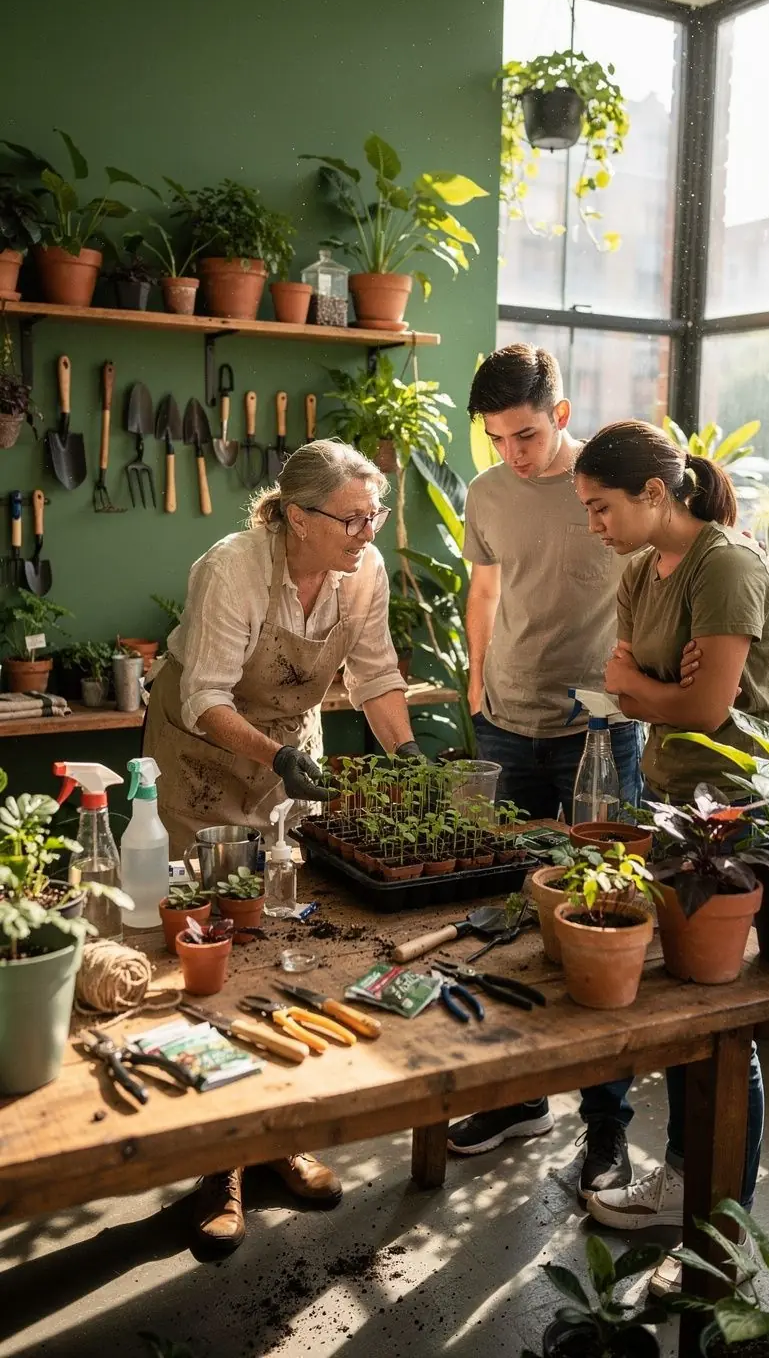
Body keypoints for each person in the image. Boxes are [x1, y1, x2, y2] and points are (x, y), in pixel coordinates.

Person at [144, 438, 422, 1258]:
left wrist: (409, 755)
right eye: (351, 518)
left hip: (287, 759)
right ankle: (216, 1167)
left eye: (374, 515)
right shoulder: (232, 568)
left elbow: (375, 675)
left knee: (282, 943)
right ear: (298, 518)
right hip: (204, 760)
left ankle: (277, 1138)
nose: (367, 532)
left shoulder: (361, 572)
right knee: (215, 955)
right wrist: (273, 756)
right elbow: (204, 695)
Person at [573, 418, 769, 1293]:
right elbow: (622, 681)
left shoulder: (725, 566)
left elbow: (704, 711)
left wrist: (653, 689)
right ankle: (683, 1182)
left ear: (655, 493)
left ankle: (724, 1236)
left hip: (734, 812)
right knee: (684, 1012)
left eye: (603, 506)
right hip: (673, 804)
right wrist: (660, 687)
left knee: (721, 1019)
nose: (595, 523)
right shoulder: (643, 571)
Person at [446, 344, 648, 1203]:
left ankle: (607, 1127)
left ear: (560, 415)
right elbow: (485, 592)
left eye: (525, 435)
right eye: (497, 439)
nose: (513, 455)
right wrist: (476, 684)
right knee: (505, 917)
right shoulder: (488, 493)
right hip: (505, 724)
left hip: (597, 732)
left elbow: (658, 580)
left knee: (603, 924)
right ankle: (518, 1097)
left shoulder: (610, 484)